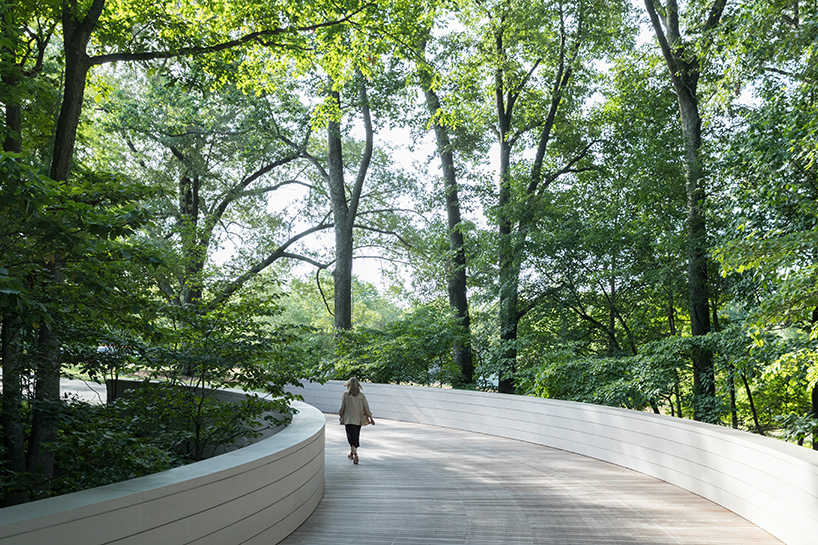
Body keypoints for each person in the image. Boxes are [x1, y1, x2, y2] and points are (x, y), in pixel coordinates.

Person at [338, 377, 374, 464]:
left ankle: (355, 455)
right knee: (355, 436)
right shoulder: (361, 396)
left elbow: (343, 407)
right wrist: (370, 418)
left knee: (351, 437)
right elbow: (366, 407)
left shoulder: (346, 395)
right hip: (358, 420)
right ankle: (352, 454)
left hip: (348, 419)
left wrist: (340, 414)